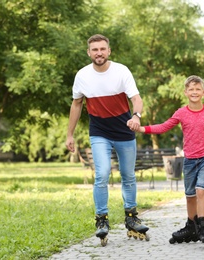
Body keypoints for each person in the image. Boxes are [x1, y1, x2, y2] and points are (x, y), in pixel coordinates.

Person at [128, 75, 204, 250]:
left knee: (200, 191)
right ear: (185, 92)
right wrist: (142, 128)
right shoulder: (181, 113)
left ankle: (203, 227)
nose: (195, 92)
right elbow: (164, 126)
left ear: (203, 92)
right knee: (190, 195)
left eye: (198, 89)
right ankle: (191, 226)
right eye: (191, 89)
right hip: (190, 160)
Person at [65, 34, 149, 245]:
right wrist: (69, 134)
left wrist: (136, 116)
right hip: (99, 131)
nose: (99, 53)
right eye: (95, 50)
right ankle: (101, 220)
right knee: (101, 174)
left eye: (102, 49)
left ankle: (131, 218)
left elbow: (136, 99)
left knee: (128, 175)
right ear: (89, 52)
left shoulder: (121, 71)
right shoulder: (82, 75)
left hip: (124, 130)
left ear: (109, 51)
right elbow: (76, 105)